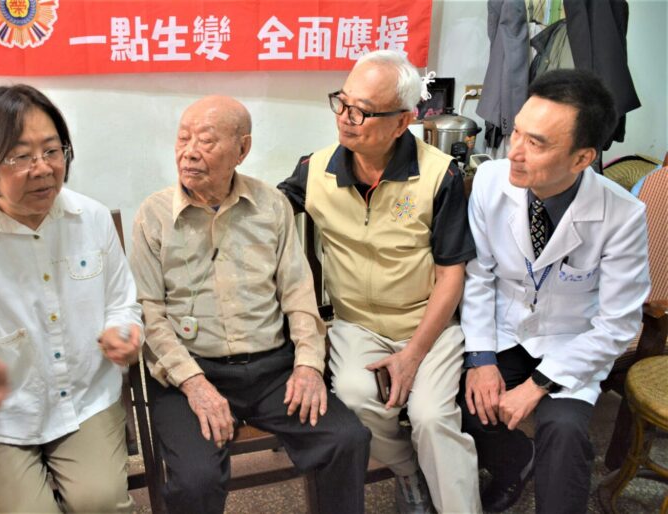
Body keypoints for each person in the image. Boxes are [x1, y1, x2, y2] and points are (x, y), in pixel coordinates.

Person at [130, 95, 371, 514]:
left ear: (242, 149)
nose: (190, 152)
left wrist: (308, 365)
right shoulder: (153, 216)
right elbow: (149, 313)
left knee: (346, 439)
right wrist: (194, 383)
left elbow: (299, 294)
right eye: (183, 138)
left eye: (206, 141)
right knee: (196, 480)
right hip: (191, 373)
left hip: (272, 370)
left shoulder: (270, 205)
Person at [0, 85, 143, 513]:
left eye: (52, 151)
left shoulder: (91, 218)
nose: (42, 169)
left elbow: (122, 304)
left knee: (99, 502)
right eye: (20, 156)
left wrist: (123, 332)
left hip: (82, 399)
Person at [278, 50, 481, 514]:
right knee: (353, 398)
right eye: (342, 103)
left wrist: (413, 354)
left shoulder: (438, 175)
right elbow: (268, 213)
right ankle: (409, 472)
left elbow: (452, 275)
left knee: (432, 417)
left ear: (402, 121)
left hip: (427, 323)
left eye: (363, 111)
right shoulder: (316, 170)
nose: (345, 119)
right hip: (357, 324)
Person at [459, 69, 650, 513]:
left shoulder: (622, 215)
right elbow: (479, 276)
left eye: (537, 143)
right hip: (505, 329)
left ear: (582, 158)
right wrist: (481, 358)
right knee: (457, 398)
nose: (515, 152)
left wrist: (538, 385)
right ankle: (513, 462)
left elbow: (617, 324)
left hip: (572, 341)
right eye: (517, 132)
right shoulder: (490, 181)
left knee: (563, 432)